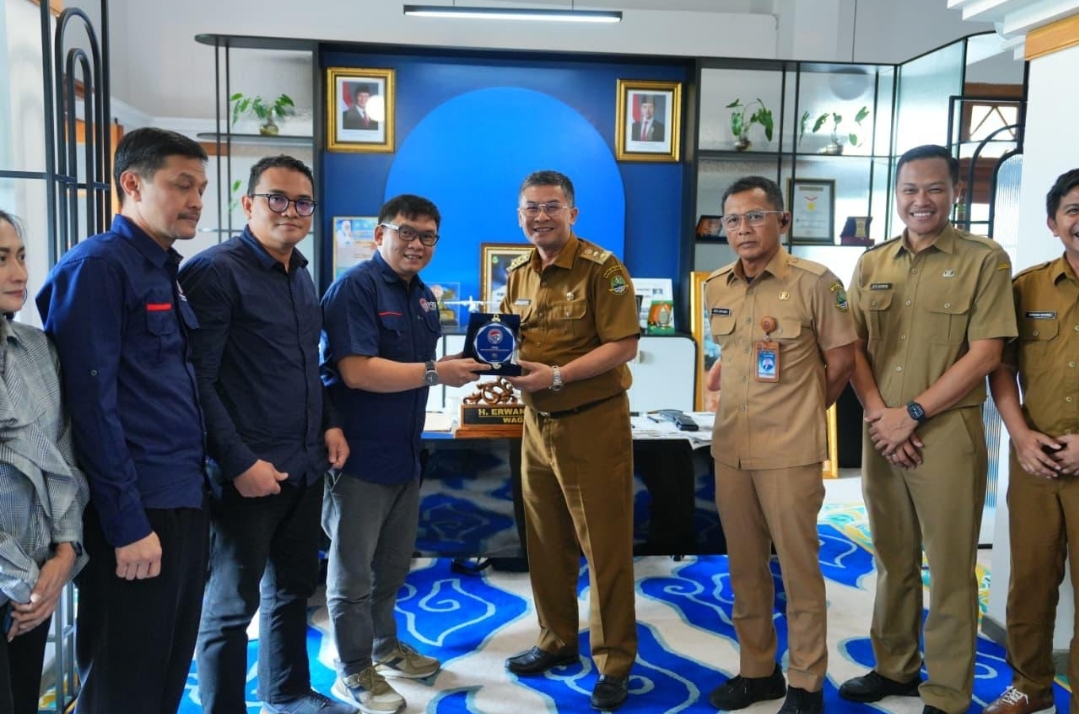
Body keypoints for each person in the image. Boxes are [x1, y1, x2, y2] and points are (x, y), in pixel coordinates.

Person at [36, 127, 211, 713]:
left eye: (201, 187)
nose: (196, 200)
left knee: (166, 672)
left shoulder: (162, 268)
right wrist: (126, 523)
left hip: (183, 496)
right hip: (136, 510)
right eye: (182, 185)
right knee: (122, 681)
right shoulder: (98, 267)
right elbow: (90, 409)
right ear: (132, 184)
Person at [839, 144, 1018, 714]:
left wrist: (911, 414)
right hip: (882, 430)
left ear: (956, 192)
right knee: (892, 557)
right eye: (910, 190)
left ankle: (946, 691)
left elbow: (986, 353)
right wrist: (879, 413)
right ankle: (894, 667)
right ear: (896, 196)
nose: (922, 200)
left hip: (945, 433)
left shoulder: (984, 260)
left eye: (935, 188)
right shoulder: (873, 263)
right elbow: (852, 346)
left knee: (950, 568)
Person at [180, 155, 355, 714]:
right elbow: (197, 382)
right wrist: (237, 463)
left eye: (303, 202)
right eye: (276, 198)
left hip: (302, 466)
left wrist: (330, 422)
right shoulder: (214, 272)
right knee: (230, 608)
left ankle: (287, 693)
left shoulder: (300, 273)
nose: (291, 211)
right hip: (247, 474)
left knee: (291, 590)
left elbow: (309, 366)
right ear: (248, 204)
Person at [320, 194, 489, 712]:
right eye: (406, 232)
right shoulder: (355, 288)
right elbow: (356, 372)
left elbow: (416, 369)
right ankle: (353, 669)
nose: (417, 244)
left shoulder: (424, 297)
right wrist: (439, 372)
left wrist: (467, 362)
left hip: (405, 454)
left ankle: (383, 646)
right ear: (380, 235)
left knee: (393, 568)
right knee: (351, 576)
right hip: (358, 457)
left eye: (428, 236)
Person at [703, 176, 856, 714]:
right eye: (733, 220)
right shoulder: (716, 286)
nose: (743, 229)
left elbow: (842, 363)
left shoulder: (816, 283)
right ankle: (757, 671)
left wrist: (803, 412)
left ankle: (807, 684)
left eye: (755, 217)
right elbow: (729, 360)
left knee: (798, 570)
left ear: (782, 221)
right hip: (731, 450)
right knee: (745, 569)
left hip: (789, 451)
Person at [501, 170, 640, 712]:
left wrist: (557, 377)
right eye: (531, 208)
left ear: (572, 213)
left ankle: (614, 661)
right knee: (545, 542)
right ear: (520, 216)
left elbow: (623, 345)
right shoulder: (518, 273)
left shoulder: (604, 271)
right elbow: (510, 338)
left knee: (604, 548)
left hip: (592, 422)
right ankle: (556, 639)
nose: (540, 216)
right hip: (536, 425)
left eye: (551, 206)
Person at [982, 168, 1079, 714]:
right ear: (1053, 222)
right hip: (1035, 463)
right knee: (1031, 582)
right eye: (1073, 209)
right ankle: (1030, 686)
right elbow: (1002, 368)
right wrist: (1019, 437)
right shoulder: (1027, 287)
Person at [0, 211, 88, 714]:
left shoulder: (36, 348)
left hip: (38, 582)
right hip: (21, 584)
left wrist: (64, 552)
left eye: (20, 256)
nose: (20, 274)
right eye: (1, 260)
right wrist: (27, 582)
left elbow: (64, 454)